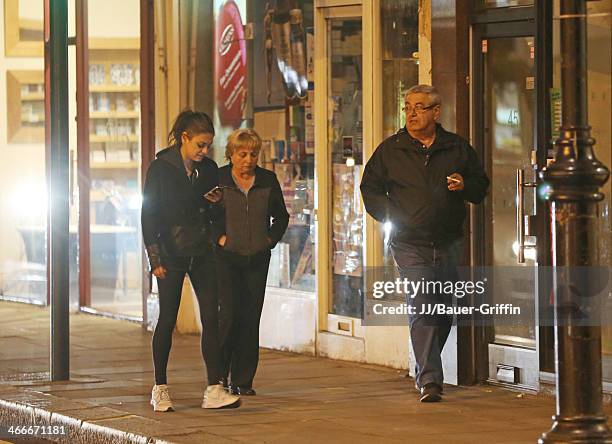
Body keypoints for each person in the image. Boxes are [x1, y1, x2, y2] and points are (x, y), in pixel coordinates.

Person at [360, 85, 489, 402]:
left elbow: (480, 185)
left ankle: (426, 366)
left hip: (447, 240)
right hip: (409, 242)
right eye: (408, 107)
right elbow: (370, 188)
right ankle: (430, 379)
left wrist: (464, 184)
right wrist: (394, 215)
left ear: (436, 111)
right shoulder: (392, 150)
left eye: (419, 107)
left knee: (444, 309)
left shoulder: (456, 148)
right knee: (422, 304)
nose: (412, 113)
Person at [141, 110, 240, 411]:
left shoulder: (208, 169)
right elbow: (149, 214)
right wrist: (154, 256)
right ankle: (160, 387)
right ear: (184, 138)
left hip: (201, 251)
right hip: (170, 252)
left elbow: (213, 210)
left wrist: (216, 214)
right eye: (199, 144)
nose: (204, 151)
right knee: (168, 318)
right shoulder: (161, 168)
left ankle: (214, 388)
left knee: (212, 316)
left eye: (208, 145)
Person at [213, 128, 289, 396]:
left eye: (253, 154)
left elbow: (281, 217)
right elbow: (204, 215)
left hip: (257, 258)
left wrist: (268, 240)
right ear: (231, 154)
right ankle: (219, 375)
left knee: (249, 318)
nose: (248, 159)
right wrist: (219, 238)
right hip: (226, 259)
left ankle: (243, 380)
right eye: (242, 154)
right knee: (228, 315)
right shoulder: (219, 179)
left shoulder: (267, 180)